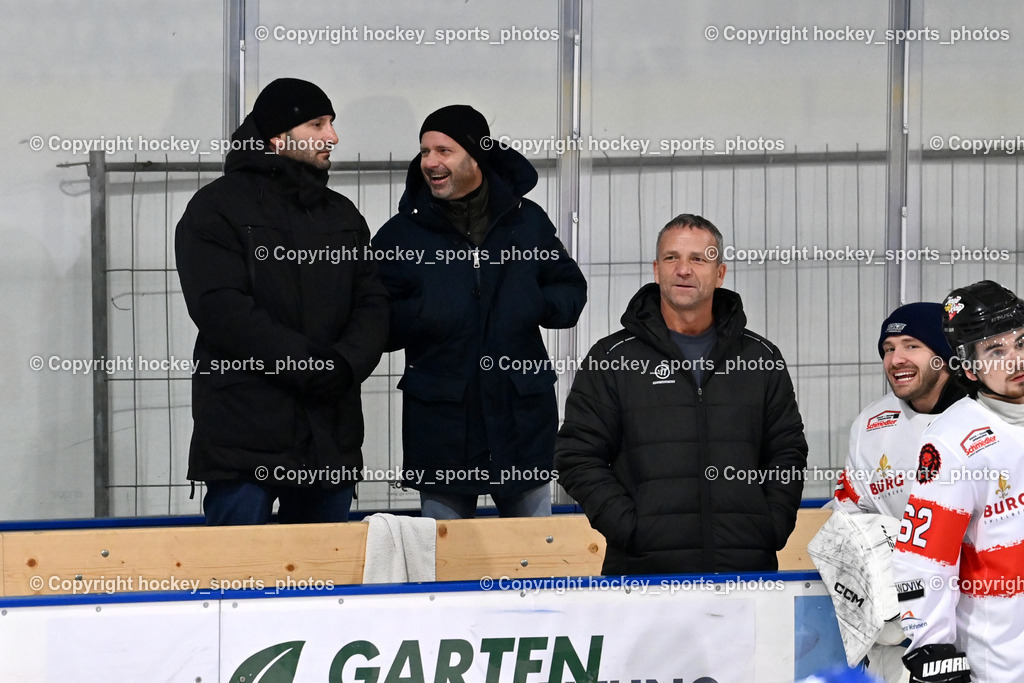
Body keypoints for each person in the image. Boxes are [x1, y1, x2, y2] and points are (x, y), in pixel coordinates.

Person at [175, 78, 389, 525]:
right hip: (245, 436)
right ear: (277, 136)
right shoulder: (216, 208)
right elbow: (221, 310)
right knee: (239, 566)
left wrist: (345, 365)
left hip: (329, 435)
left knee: (326, 567)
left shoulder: (342, 215)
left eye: (331, 123)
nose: (333, 137)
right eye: (317, 124)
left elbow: (373, 304)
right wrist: (311, 366)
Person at [555, 213, 807, 574]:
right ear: (657, 270)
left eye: (698, 259)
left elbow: (787, 451)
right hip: (643, 575)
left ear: (720, 273)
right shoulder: (612, 358)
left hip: (745, 573)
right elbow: (577, 455)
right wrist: (631, 530)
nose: (683, 270)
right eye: (672, 258)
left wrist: (770, 527)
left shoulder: (760, 358)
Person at [371, 105, 587, 520]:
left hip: (521, 421)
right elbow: (373, 319)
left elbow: (571, 291)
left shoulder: (527, 222)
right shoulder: (400, 235)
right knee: (444, 552)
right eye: (424, 151)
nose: (430, 162)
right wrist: (422, 314)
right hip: (441, 427)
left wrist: (534, 303)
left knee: (533, 551)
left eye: (444, 151)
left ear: (476, 156)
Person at [817, 303, 965, 682]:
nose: (896, 359)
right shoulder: (872, 423)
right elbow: (849, 518)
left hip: (974, 626)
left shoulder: (989, 419)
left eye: (911, 345)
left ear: (945, 355)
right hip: (895, 637)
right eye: (888, 348)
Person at [892, 280, 1024, 683]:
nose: (1015, 360)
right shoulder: (954, 439)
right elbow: (923, 557)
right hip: (1001, 660)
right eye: (995, 351)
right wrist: (931, 647)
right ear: (968, 367)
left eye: (1021, 343)